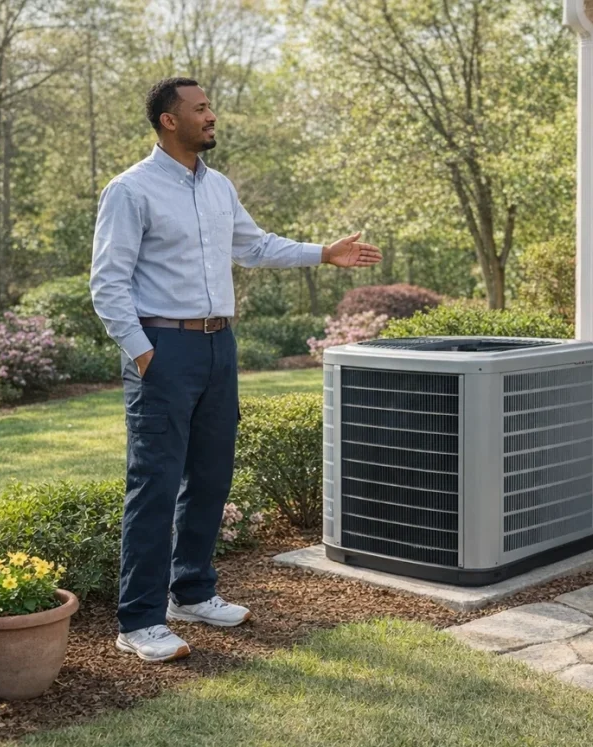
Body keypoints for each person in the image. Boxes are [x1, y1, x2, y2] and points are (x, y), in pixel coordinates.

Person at [90, 77, 381, 663]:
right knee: (155, 484)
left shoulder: (218, 187)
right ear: (169, 121)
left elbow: (254, 246)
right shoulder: (130, 190)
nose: (212, 116)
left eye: (210, 107)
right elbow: (107, 282)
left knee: (211, 475)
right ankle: (139, 620)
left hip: (220, 347)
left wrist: (323, 253)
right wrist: (142, 351)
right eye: (200, 109)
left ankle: (192, 593)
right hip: (163, 348)